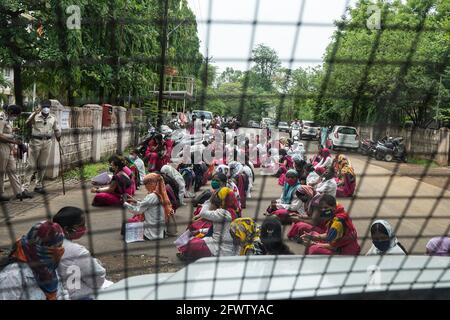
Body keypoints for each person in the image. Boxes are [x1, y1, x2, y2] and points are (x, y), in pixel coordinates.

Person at [0, 221, 68, 300]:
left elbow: (61, 294)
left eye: (60, 246)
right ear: (41, 248)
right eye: (55, 247)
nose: (59, 252)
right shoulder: (12, 276)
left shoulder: (48, 269)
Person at [53, 207, 107, 299]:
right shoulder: (77, 251)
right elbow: (98, 279)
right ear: (66, 229)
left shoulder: (46, 243)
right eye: (81, 225)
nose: (84, 228)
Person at [177, 187, 237, 261]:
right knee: (195, 237)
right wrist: (201, 231)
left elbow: (203, 213)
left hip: (220, 247)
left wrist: (209, 200)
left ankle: (190, 257)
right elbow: (217, 229)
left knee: (192, 244)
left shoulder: (223, 213)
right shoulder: (231, 211)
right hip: (219, 242)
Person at [23, 100, 61, 194]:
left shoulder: (53, 117)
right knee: (31, 165)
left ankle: (38, 186)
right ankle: (25, 188)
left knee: (42, 165)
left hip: (47, 142)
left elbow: (56, 129)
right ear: (41, 107)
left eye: (47, 106)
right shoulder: (35, 115)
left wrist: (58, 138)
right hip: (35, 142)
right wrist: (34, 113)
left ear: (50, 107)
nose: (46, 108)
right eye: (44, 106)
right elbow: (27, 123)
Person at [124, 173, 174, 240]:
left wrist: (125, 204)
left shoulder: (152, 196)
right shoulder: (161, 194)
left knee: (126, 224)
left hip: (151, 232)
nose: (145, 187)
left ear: (152, 183)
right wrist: (136, 202)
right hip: (161, 231)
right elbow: (147, 205)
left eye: (146, 184)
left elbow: (138, 210)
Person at [0, 105, 33, 201]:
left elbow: (5, 130)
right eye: (15, 115)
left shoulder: (6, 118)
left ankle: (19, 192)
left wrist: (13, 130)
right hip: (2, 147)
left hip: (8, 148)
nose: (16, 117)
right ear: (10, 112)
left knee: (12, 170)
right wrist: (14, 142)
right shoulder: (1, 118)